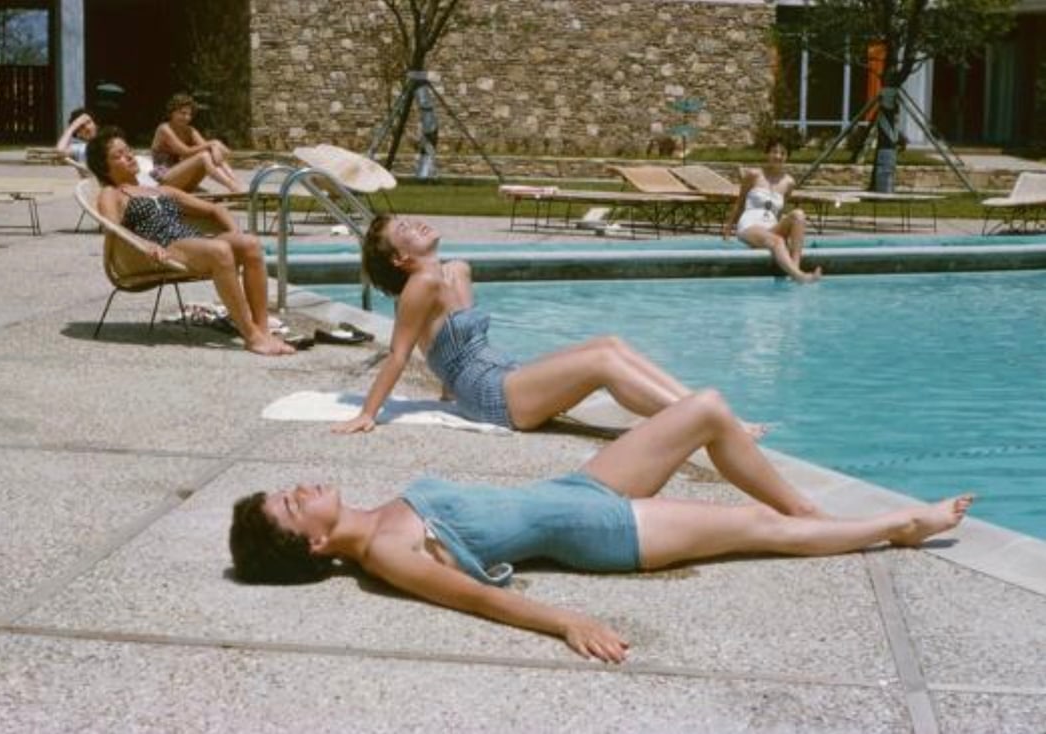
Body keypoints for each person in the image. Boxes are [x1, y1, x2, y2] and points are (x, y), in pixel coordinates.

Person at [230, 389, 973, 663]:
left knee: (706, 410)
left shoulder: (383, 516)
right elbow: (481, 600)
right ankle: (897, 525)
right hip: (604, 533)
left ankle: (813, 514)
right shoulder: (391, 553)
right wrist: (566, 622)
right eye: (294, 506)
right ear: (317, 545)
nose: (301, 488)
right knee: (754, 525)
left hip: (575, 490)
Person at [333, 214, 763, 436]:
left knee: (609, 344)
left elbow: (446, 349)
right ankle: (705, 420)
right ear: (398, 259)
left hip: (503, 377)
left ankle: (708, 409)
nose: (416, 223)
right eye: (404, 229)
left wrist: (447, 392)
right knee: (602, 363)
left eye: (408, 218)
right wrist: (368, 413)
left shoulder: (454, 272)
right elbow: (399, 354)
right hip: (490, 395)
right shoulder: (421, 284)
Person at [87, 127, 293, 356]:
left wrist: (235, 232)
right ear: (105, 168)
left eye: (128, 151)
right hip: (162, 248)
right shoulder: (112, 193)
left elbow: (214, 210)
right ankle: (252, 337)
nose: (128, 157)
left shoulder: (160, 190)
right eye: (118, 156)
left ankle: (263, 330)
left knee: (250, 244)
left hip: (188, 241)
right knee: (220, 250)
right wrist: (145, 245)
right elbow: (113, 229)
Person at [724, 138, 822, 283]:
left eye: (782, 153)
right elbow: (739, 203)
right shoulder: (754, 175)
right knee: (777, 241)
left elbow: (780, 211)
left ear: (787, 156)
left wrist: (786, 229)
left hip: (770, 226)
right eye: (774, 152)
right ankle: (799, 276)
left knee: (798, 214)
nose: (778, 156)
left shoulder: (789, 182)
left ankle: (795, 267)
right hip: (750, 225)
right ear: (767, 154)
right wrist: (727, 229)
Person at [150, 93, 242, 193]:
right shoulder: (164, 129)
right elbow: (185, 151)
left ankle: (235, 182)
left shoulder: (190, 130)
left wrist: (215, 146)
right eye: (182, 113)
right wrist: (213, 143)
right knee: (204, 156)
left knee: (209, 153)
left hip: (184, 179)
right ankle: (231, 185)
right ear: (172, 112)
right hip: (167, 179)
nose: (186, 117)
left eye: (189, 114)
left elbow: (210, 148)